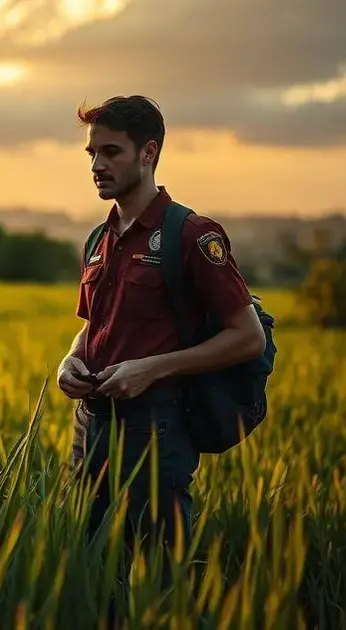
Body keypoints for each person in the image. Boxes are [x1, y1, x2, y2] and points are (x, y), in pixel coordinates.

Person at [58, 96, 266, 554]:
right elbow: (93, 325)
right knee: (89, 565)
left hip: (155, 428)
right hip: (90, 425)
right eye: (92, 153)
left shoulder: (190, 234)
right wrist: (70, 360)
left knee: (155, 573)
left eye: (111, 152)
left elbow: (247, 337)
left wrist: (150, 369)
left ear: (148, 153)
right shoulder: (100, 237)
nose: (97, 164)